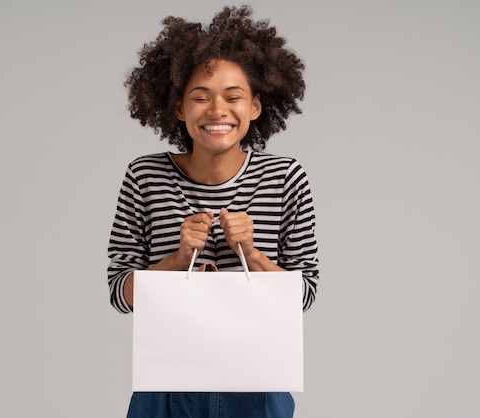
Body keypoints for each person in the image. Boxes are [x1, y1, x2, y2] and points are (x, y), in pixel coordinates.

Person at [107, 5, 319, 417]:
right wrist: (177, 260)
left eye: (233, 96)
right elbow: (120, 293)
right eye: (200, 97)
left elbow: (304, 296)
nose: (217, 109)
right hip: (167, 388)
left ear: (255, 107)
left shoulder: (285, 177)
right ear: (178, 109)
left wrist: (254, 255)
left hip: (259, 388)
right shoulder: (144, 176)